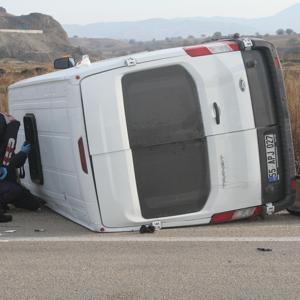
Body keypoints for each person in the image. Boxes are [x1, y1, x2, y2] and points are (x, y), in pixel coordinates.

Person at [0, 113, 43, 222]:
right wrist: (22, 154)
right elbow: (8, 164)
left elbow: (11, 163)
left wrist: (22, 154)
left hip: (6, 181)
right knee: (13, 190)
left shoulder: (5, 144)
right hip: (7, 185)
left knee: (33, 203)